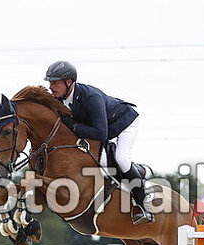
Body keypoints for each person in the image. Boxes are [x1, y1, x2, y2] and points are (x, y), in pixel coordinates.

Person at [44, 60, 153, 224]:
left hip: (124, 123)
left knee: (121, 159)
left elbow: (101, 134)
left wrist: (73, 127)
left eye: (54, 82)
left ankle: (142, 203)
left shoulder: (91, 97)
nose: (51, 87)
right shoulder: (59, 99)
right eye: (50, 82)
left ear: (68, 82)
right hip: (101, 127)